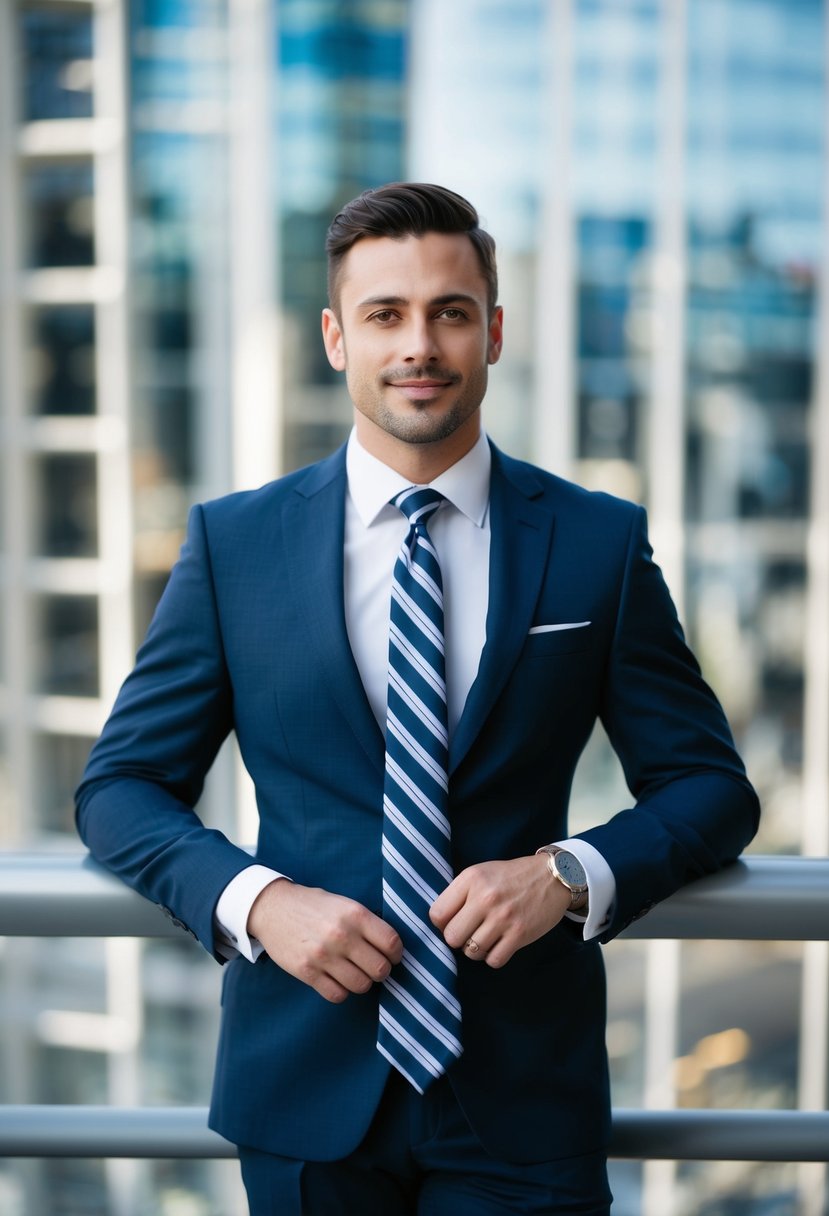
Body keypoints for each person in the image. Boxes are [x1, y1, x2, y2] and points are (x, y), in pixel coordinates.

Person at [76, 182, 760, 1215]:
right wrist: (257, 899)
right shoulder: (235, 545)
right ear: (335, 337)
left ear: (492, 330)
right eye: (384, 314)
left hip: (523, 1093)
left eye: (448, 312)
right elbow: (120, 787)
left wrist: (570, 873)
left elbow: (709, 789)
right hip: (303, 1084)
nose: (419, 345)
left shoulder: (595, 543)